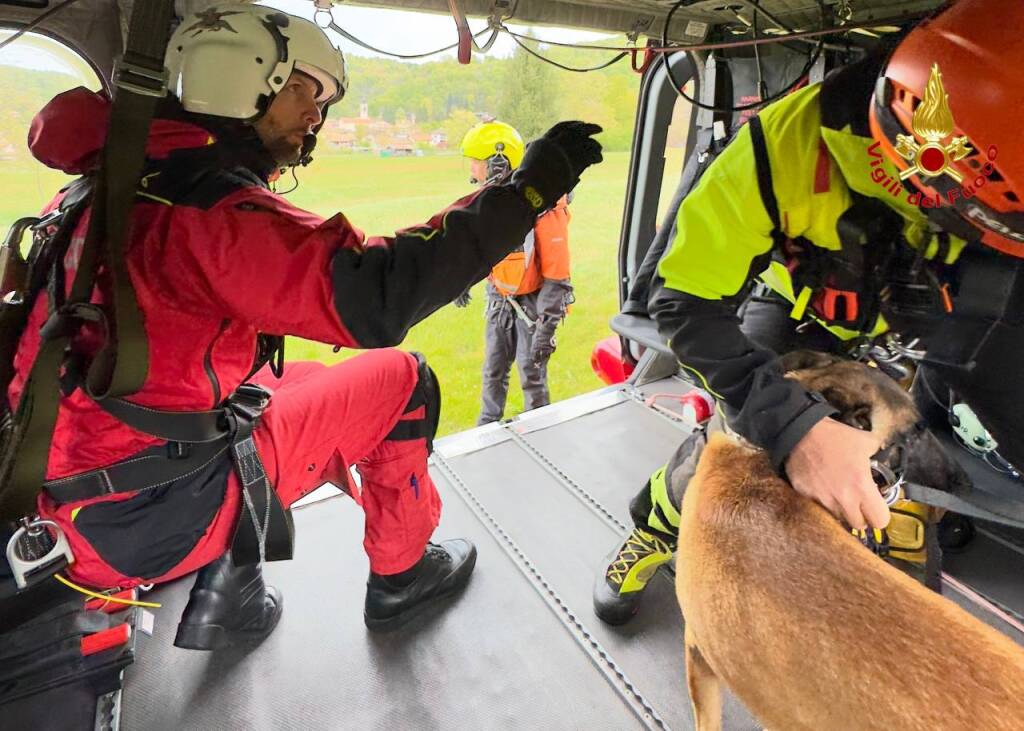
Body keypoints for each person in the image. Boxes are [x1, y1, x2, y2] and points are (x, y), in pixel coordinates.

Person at [9, 3, 602, 647]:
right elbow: (378, 292)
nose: (316, 113)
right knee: (405, 380)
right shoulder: (211, 214)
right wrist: (526, 192)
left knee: (284, 382)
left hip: (63, 494)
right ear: (238, 77)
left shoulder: (98, 192)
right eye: (303, 89)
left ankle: (227, 594)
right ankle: (403, 572)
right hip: (150, 515)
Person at [594, 0, 1024, 625]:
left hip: (927, 310)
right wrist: (793, 428)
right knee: (739, 437)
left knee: (932, 430)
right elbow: (683, 304)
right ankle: (659, 527)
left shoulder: (1002, 164)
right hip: (802, 305)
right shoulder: (779, 152)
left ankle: (914, 511)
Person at [457, 120, 575, 425]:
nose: (471, 168)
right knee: (493, 370)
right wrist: (461, 281)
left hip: (533, 306)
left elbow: (556, 274)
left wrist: (545, 329)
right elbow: (478, 248)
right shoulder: (489, 203)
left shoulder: (543, 207)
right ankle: (485, 430)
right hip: (500, 300)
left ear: (498, 159)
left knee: (531, 373)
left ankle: (539, 428)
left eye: (475, 161)